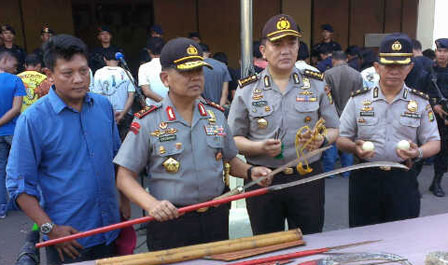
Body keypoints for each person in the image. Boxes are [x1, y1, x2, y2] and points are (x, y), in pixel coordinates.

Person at [113, 37, 271, 251]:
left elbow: (230, 160)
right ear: (165, 78)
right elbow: (124, 177)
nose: (195, 78)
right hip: (170, 222)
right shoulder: (149, 121)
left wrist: (252, 172)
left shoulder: (215, 115)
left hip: (215, 217)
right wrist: (152, 205)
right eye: (187, 72)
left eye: (198, 71)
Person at [6, 34, 130, 265]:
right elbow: (19, 185)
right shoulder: (33, 120)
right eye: (68, 73)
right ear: (50, 74)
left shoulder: (102, 106)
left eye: (84, 71)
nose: (78, 79)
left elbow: (117, 160)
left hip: (111, 230)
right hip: (68, 241)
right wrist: (50, 229)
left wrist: (124, 200)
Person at [228, 14, 339, 235]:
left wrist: (322, 139)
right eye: (277, 44)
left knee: (310, 239)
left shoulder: (316, 84)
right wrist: (258, 148)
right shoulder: (247, 89)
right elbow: (232, 140)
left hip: (307, 178)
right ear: (263, 50)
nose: (285, 50)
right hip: (264, 179)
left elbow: (334, 128)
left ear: (298, 47)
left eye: (292, 43)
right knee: (268, 246)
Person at [337, 33, 440, 228]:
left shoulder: (419, 102)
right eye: (388, 65)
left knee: (402, 237)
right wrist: (354, 147)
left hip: (402, 177)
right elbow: (341, 138)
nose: (394, 71)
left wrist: (417, 152)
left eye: (400, 65)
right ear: (377, 67)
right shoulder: (358, 100)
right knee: (363, 237)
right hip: (365, 178)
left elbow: (434, 142)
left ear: (410, 67)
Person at [323, 50, 363, 174]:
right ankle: (347, 171)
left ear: (333, 60)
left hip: (332, 112)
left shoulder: (328, 74)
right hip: (350, 113)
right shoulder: (357, 74)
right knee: (348, 141)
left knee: (330, 144)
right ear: (346, 59)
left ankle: (329, 172)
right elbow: (360, 96)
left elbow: (325, 95)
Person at [0, 51, 25, 219]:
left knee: (0, 169)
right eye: (14, 65)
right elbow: (16, 109)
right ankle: (22, 202)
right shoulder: (16, 81)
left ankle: (2, 207)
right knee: (22, 167)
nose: (15, 69)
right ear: (4, 60)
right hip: (12, 131)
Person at [92, 49, 135, 138]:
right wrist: (122, 113)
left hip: (106, 113)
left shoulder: (99, 73)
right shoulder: (127, 73)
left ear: (104, 59)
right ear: (119, 59)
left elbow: (98, 96)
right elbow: (131, 96)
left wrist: (112, 112)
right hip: (126, 114)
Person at [427, 38, 448, 197]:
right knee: (423, 149)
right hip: (429, 117)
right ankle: (411, 181)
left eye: (445, 51)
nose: (442, 54)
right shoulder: (428, 70)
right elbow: (419, 91)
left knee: (443, 152)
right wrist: (433, 105)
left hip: (445, 119)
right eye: (439, 51)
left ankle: (436, 182)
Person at [138, 37, 167, 105]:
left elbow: (147, 92)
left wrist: (164, 102)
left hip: (153, 108)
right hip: (174, 106)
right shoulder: (171, 65)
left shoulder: (143, 68)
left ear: (148, 51)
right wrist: (168, 103)